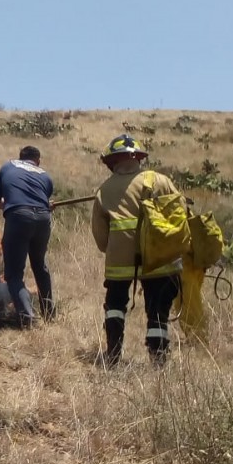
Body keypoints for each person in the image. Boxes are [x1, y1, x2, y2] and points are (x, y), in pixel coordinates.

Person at [91, 134, 182, 366]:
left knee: (114, 307)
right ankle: (158, 360)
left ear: (112, 162)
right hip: (159, 259)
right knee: (158, 312)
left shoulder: (104, 190)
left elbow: (101, 239)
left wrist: (115, 248)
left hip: (119, 263)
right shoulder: (161, 181)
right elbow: (180, 219)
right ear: (139, 159)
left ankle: (112, 355)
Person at [0, 145, 54, 327]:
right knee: (40, 266)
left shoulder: (8, 166)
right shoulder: (45, 175)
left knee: (14, 273)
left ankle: (28, 317)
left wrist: (12, 207)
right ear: (38, 160)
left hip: (18, 217)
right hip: (43, 218)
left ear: (20, 157)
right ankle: (49, 313)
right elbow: (43, 202)